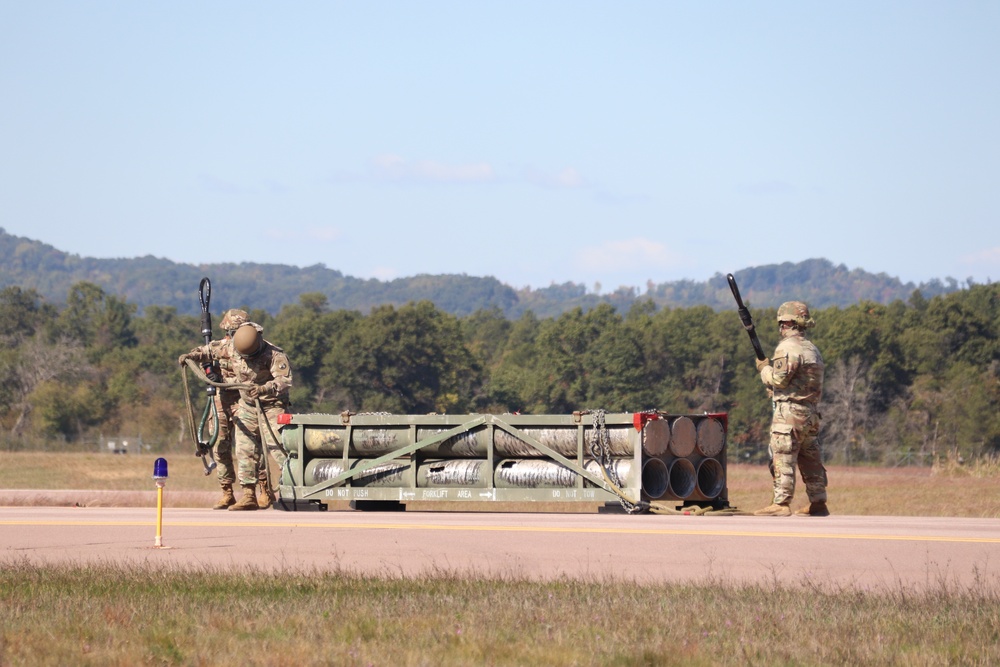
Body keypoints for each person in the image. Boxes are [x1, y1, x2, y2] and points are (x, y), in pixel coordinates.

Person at [753, 301, 829, 517]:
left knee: (783, 454)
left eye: (781, 324)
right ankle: (818, 501)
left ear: (786, 323)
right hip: (810, 413)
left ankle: (781, 502)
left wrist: (764, 369)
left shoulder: (787, 348)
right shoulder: (812, 349)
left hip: (790, 414)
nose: (780, 329)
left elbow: (778, 379)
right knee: (810, 458)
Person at [178, 308, 249, 510]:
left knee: (248, 448)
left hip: (244, 400)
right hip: (220, 401)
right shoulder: (218, 347)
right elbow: (202, 354)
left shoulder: (252, 348)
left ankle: (253, 491)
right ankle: (227, 492)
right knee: (219, 447)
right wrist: (201, 365)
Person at [227, 322, 292, 511]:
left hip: (272, 406)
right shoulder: (232, 347)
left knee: (279, 448)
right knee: (244, 449)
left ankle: (291, 490)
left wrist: (264, 388)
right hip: (247, 407)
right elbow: (212, 350)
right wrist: (194, 355)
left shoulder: (275, 355)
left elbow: (284, 380)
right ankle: (248, 495)